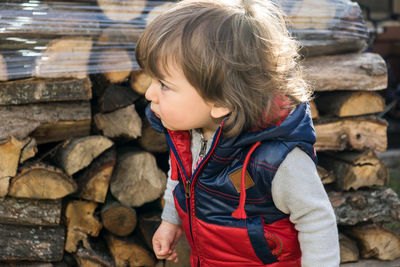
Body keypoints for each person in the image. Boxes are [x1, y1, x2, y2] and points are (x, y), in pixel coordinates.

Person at [135, 0, 340, 266]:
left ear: (220, 102)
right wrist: (170, 221)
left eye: (163, 84)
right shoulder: (189, 135)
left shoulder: (277, 161)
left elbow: (316, 220)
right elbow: (181, 179)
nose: (149, 94)